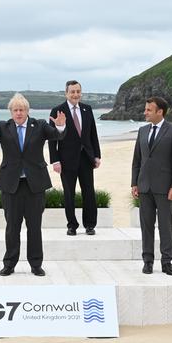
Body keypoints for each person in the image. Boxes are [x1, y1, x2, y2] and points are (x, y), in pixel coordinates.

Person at [0, 93, 66, 277]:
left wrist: (60, 125)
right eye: (15, 110)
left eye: (22, 109)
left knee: (34, 227)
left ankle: (36, 264)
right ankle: (9, 264)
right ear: (11, 112)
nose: (18, 113)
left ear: (27, 111)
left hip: (35, 185)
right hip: (11, 185)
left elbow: (57, 135)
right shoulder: (3, 126)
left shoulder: (40, 125)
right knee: (12, 227)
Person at [131, 97, 172, 276]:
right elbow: (137, 160)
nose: (145, 112)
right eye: (145, 109)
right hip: (144, 186)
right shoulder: (142, 131)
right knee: (146, 226)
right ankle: (147, 261)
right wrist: (134, 183)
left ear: (160, 111)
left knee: (165, 226)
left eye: (148, 110)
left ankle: (167, 262)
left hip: (165, 188)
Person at [49, 80, 101, 236]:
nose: (75, 94)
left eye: (78, 91)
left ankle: (90, 225)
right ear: (66, 93)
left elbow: (93, 134)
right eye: (72, 91)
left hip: (86, 158)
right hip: (66, 160)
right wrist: (55, 160)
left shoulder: (87, 109)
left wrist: (97, 155)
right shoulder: (57, 111)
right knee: (69, 194)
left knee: (89, 193)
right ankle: (72, 225)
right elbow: (52, 139)